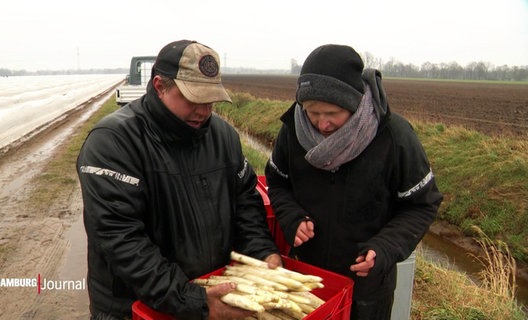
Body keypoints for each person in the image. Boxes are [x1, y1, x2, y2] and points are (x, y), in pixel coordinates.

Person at [77, 39, 282, 320]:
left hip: (206, 297)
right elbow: (121, 239)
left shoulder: (224, 137)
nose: (204, 110)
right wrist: (191, 300)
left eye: (210, 100)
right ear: (160, 86)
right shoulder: (113, 142)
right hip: (135, 309)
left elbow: (246, 204)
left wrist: (262, 253)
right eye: (193, 98)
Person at [264, 44, 443, 320]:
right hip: (308, 281)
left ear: (354, 102)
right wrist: (291, 217)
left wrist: (384, 248)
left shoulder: (394, 137)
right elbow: (277, 182)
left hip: (368, 290)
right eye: (313, 112)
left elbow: (421, 205)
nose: (322, 124)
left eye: (332, 113)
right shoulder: (292, 132)